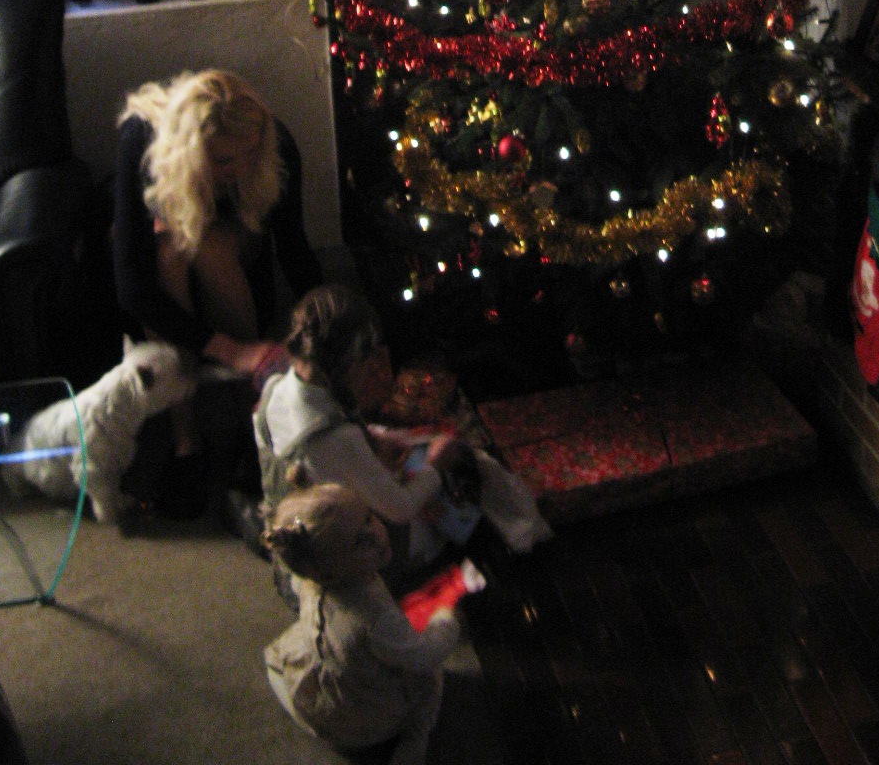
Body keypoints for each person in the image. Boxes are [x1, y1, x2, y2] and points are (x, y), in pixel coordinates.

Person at [112, 69, 324, 511]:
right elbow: (132, 288)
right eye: (225, 161)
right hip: (168, 283)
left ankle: (254, 420)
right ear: (189, 153)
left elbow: (294, 250)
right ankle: (185, 438)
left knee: (208, 246)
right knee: (170, 246)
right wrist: (228, 349)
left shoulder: (275, 145)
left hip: (236, 271)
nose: (241, 169)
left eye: (250, 153)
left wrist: (329, 322)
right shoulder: (142, 142)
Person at [254, 283, 551, 588]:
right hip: (343, 557)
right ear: (349, 364)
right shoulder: (334, 438)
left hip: (300, 534)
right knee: (460, 501)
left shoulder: (276, 389)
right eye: (366, 363)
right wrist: (436, 464)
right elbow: (400, 508)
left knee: (416, 467)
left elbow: (329, 456)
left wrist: (373, 439)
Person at [263, 481, 468, 764]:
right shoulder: (375, 617)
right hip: (370, 717)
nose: (376, 535)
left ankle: (312, 708)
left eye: (369, 518)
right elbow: (424, 655)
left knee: (282, 656)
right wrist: (447, 619)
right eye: (359, 542)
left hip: (334, 673)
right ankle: (414, 740)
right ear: (327, 573)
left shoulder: (309, 580)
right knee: (431, 680)